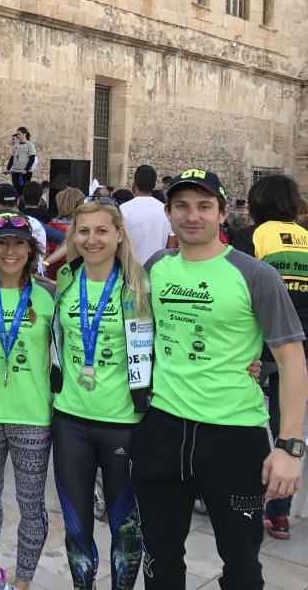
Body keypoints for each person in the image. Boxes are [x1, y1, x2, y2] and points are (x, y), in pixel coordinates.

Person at [131, 169, 306, 590]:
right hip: (163, 430)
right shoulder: (156, 267)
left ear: (224, 213)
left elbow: (293, 361)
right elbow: (141, 334)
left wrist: (288, 447)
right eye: (182, 206)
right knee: (159, 557)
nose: (193, 216)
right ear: (169, 214)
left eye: (204, 206)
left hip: (234, 437)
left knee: (242, 567)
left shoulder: (255, 275)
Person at [49, 197, 150, 590]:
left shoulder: (141, 285)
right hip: (70, 419)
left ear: (119, 234)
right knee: (76, 526)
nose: (92, 240)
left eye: (102, 231)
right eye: (84, 231)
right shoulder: (66, 280)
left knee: (126, 525)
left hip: (124, 422)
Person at [0, 211, 57, 590]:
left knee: (31, 505)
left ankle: (21, 583)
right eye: (2, 242)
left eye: (18, 243)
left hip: (32, 415)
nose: (10, 250)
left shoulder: (50, 294)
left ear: (31, 249)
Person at [231, 174, 308, 539]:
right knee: (286, 428)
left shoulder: (252, 237)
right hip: (301, 346)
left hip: (262, 344)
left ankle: (250, 500)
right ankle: (280, 513)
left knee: (248, 421)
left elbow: (238, 289)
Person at [119, 164, 172, 265]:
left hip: (131, 271)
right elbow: (171, 246)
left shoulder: (124, 210)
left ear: (134, 184)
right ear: (154, 185)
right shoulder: (165, 211)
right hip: (158, 270)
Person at [4, 128, 37, 195]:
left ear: (24, 134)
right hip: (15, 171)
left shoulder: (30, 144)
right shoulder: (16, 144)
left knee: (24, 190)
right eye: (17, 134)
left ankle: (24, 203)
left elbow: (32, 159)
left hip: (25, 172)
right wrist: (8, 168)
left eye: (20, 134)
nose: (18, 136)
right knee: (16, 190)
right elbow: (12, 158)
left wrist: (26, 169)